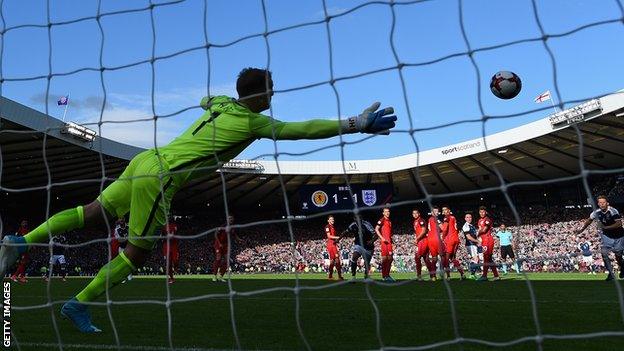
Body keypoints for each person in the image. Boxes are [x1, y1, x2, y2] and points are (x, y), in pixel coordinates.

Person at [0, 67, 397, 333]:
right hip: (161, 177)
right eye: (271, 90)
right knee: (137, 252)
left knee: (92, 212)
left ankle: (20, 242)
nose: (274, 95)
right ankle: (79, 303)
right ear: (259, 95)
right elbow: (301, 129)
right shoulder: (255, 121)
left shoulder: (224, 103)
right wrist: (354, 124)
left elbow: (208, 100)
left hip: (144, 159)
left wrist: (215, 102)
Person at [577, 195, 624, 281]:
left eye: (603, 202)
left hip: (618, 236)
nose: (602, 204)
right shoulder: (596, 212)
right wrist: (581, 230)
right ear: (598, 204)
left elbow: (619, 224)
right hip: (606, 236)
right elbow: (589, 220)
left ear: (607, 203)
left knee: (618, 256)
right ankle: (611, 274)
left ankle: (622, 267)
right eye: (600, 203)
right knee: (604, 253)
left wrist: (605, 227)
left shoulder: (613, 211)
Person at [441, 206, 465, 280]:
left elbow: (444, 229)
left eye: (445, 210)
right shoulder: (453, 217)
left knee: (446, 258)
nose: (444, 211)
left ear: (449, 210)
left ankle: (448, 276)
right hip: (456, 239)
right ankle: (462, 274)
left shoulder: (446, 218)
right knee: (453, 258)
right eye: (443, 210)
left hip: (450, 240)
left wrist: (442, 237)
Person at [476, 206, 500, 281]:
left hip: (488, 239)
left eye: (483, 212)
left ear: (485, 212)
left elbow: (484, 230)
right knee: (489, 259)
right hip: (483, 240)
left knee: (486, 257)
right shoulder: (479, 220)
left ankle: (484, 276)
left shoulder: (487, 219)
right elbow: (481, 230)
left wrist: (477, 232)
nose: (482, 213)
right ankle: (496, 276)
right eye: (480, 212)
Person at [213, 215, 238, 282]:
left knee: (227, 261)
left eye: (232, 219)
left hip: (226, 245)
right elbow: (215, 234)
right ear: (227, 219)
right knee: (218, 259)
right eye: (229, 218)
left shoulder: (232, 228)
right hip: (218, 244)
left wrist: (238, 239)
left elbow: (234, 234)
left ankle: (221, 276)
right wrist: (219, 243)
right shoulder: (222, 226)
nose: (231, 220)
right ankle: (214, 276)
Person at [412, 209, 432, 281]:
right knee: (426, 259)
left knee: (417, 257)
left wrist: (417, 239)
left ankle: (419, 276)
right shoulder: (415, 221)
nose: (415, 215)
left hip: (422, 241)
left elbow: (424, 231)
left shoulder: (421, 220)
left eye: (416, 213)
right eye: (413, 213)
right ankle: (432, 276)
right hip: (421, 241)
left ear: (419, 214)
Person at [375, 207, 394, 282]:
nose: (387, 213)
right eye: (386, 212)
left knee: (390, 258)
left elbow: (389, 233)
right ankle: (384, 276)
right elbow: (376, 229)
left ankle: (387, 275)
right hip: (384, 242)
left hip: (389, 242)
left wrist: (392, 242)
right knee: (384, 259)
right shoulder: (382, 220)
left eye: (388, 211)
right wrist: (382, 238)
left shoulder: (389, 221)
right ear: (383, 213)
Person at [427, 206, 445, 280]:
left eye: (437, 211)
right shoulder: (436, 219)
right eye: (435, 211)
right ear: (432, 213)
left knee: (434, 259)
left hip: (430, 240)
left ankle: (433, 276)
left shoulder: (429, 219)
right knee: (443, 257)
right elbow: (443, 228)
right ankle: (442, 272)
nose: (436, 212)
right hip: (436, 240)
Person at [462, 213, 480, 279]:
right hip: (470, 244)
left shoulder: (471, 225)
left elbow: (474, 235)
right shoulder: (465, 226)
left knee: (475, 259)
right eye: (467, 217)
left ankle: (472, 273)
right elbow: (468, 237)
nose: (469, 218)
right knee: (476, 259)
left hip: (473, 244)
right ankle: (472, 274)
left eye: (470, 217)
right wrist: (477, 241)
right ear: (465, 218)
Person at [325, 215, 343, 280]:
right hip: (331, 245)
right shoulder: (327, 227)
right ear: (328, 220)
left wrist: (336, 240)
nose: (333, 220)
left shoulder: (332, 227)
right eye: (331, 219)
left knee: (332, 261)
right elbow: (329, 236)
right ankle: (339, 276)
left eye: (333, 219)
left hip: (333, 244)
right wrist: (337, 237)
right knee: (337, 259)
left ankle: (330, 276)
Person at [162, 218, 179, 284]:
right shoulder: (164, 226)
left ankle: (175, 268)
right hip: (166, 246)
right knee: (168, 263)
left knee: (175, 260)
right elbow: (162, 235)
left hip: (174, 245)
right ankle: (171, 278)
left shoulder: (174, 225)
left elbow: (176, 233)